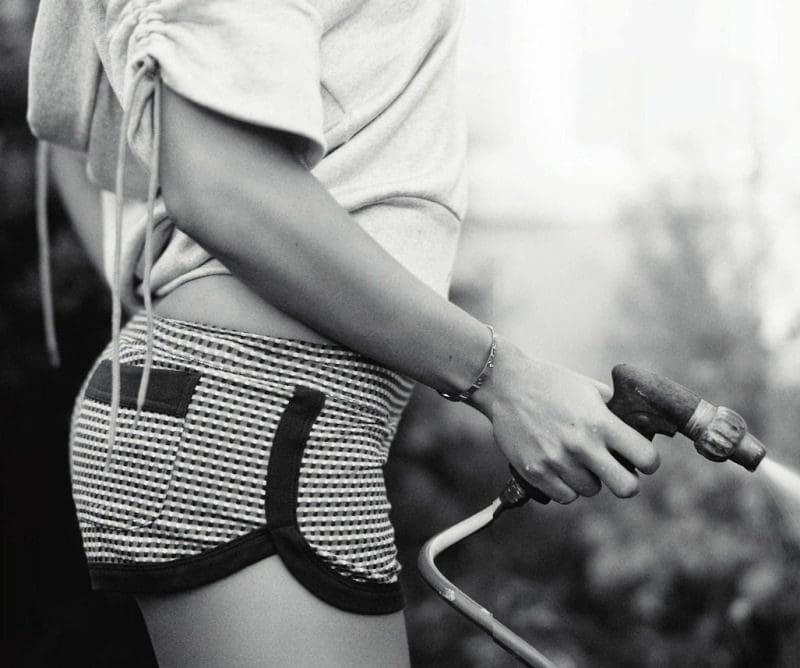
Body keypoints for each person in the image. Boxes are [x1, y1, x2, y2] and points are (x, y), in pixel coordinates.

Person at [29, 1, 660, 666]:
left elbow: (71, 138)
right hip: (261, 419)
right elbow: (217, 179)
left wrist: (166, 289)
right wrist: (505, 380)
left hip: (250, 407)